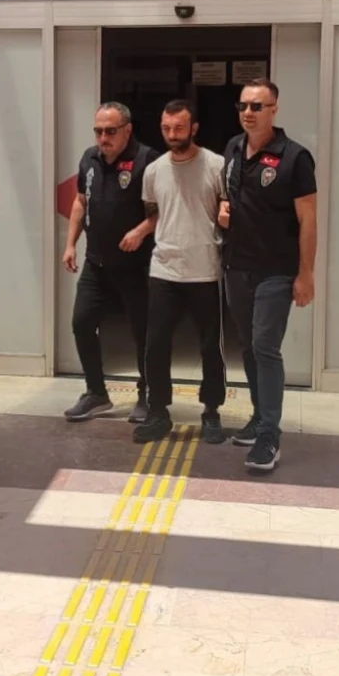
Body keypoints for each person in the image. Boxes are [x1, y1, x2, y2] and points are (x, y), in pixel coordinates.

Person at [218, 79, 318, 472]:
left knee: (265, 346)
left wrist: (305, 274)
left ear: (274, 109)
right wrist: (222, 208)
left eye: (257, 106)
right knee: (246, 345)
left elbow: (308, 220)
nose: (248, 112)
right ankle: (259, 416)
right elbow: (228, 193)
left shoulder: (295, 157)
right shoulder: (232, 147)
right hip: (236, 265)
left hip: (276, 270)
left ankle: (269, 436)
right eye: (243, 105)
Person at [132, 99, 228, 445]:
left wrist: (226, 217)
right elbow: (154, 211)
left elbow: (227, 208)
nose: (172, 135)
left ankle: (212, 411)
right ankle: (158, 412)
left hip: (205, 271)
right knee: (155, 345)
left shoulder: (216, 165)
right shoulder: (154, 170)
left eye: (179, 128)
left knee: (210, 348)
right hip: (164, 270)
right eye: (166, 128)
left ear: (194, 128)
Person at [62, 102, 160, 423]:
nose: (103, 138)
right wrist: (70, 244)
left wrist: (140, 231)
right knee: (81, 323)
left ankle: (148, 395)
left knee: (144, 331)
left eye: (110, 131)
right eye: (98, 131)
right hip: (96, 263)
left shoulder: (148, 160)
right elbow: (81, 202)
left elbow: (164, 210)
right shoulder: (89, 158)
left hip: (137, 265)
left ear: (127, 130)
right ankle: (96, 393)